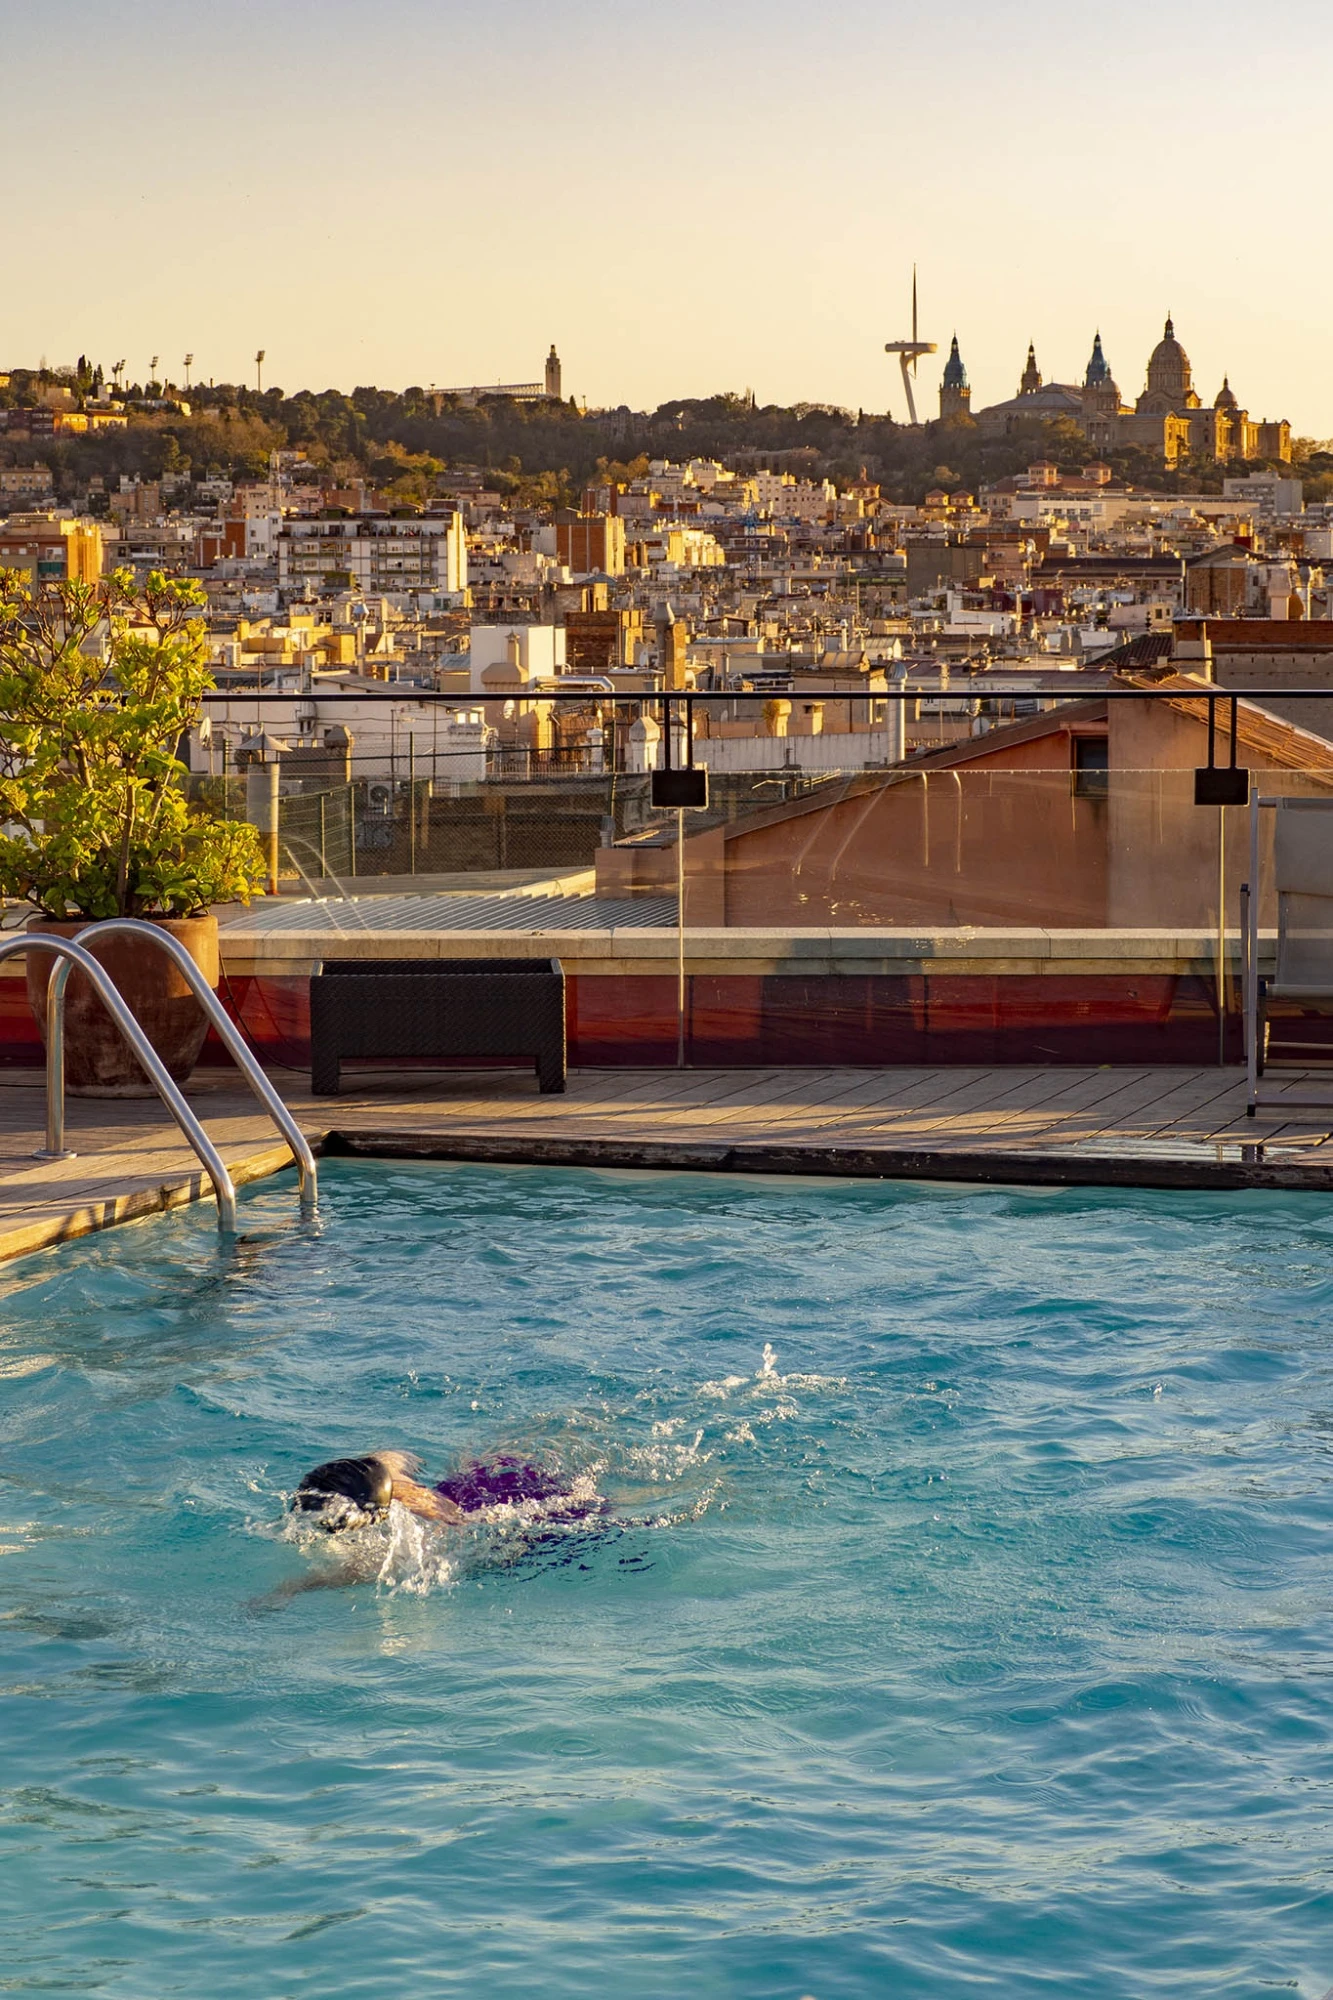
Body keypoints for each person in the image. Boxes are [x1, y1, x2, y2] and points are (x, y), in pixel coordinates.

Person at [291, 1449, 606, 1535]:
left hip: (517, 1520)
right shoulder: (390, 1473)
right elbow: (400, 1455)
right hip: (481, 1479)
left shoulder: (420, 1530)